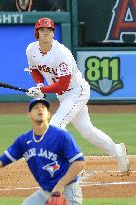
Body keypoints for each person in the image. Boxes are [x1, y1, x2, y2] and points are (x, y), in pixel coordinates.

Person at [25, 17, 130, 174]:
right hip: (64, 96)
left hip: (77, 91)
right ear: (37, 33)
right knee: (88, 131)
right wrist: (40, 84)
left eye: (49, 30)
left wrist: (43, 90)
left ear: (53, 34)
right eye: (42, 30)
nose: (46, 33)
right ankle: (118, 151)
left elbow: (63, 84)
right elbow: (34, 69)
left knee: (55, 126)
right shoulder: (31, 50)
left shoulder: (62, 53)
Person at [0, 98, 85, 205]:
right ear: (29, 114)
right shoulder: (24, 141)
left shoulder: (61, 136)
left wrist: (60, 185)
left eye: (43, 108)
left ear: (48, 114)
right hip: (46, 191)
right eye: (35, 108)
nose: (40, 109)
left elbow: (79, 163)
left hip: (67, 189)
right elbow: (1, 160)